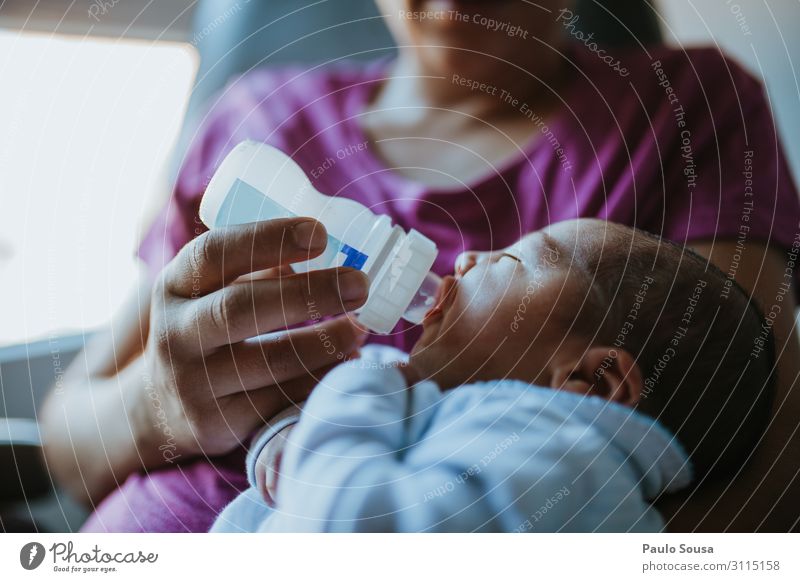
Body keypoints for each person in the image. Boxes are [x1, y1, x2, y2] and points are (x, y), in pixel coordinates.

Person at [41, 0, 800, 532]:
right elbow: (66, 442)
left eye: (519, 252)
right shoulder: (258, 118)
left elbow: (758, 452)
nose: (462, 260)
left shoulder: (689, 110)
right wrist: (158, 410)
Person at [210, 219, 775, 532]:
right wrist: (286, 442)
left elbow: (350, 529)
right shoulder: (527, 446)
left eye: (511, 260)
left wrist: (356, 387)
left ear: (590, 381)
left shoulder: (558, 461)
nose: (464, 259)